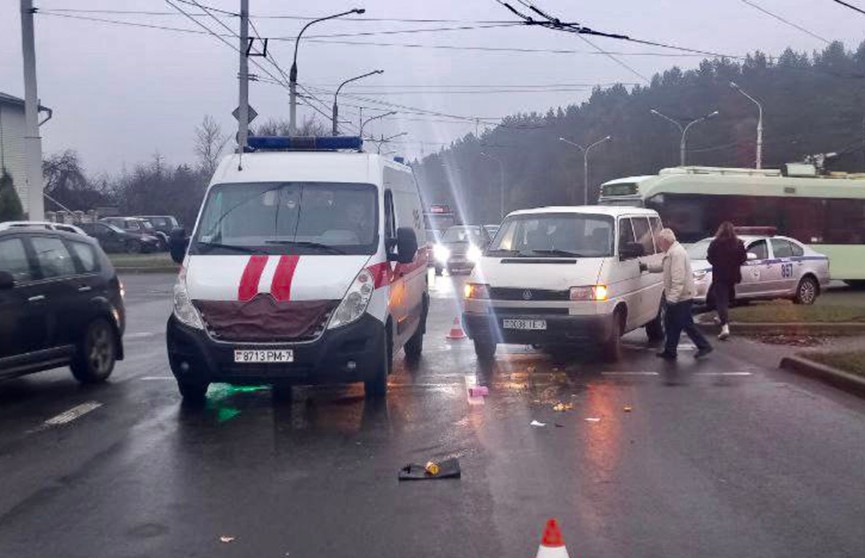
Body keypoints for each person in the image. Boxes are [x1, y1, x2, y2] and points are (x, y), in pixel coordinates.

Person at [640, 228, 713, 360]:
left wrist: (672, 299)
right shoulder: (672, 252)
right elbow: (663, 267)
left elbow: (678, 279)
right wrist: (647, 267)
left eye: (659, 242)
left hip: (682, 296)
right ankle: (671, 350)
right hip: (680, 295)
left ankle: (703, 346)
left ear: (665, 241)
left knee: (683, 323)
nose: (658, 245)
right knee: (671, 323)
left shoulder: (676, 254)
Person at [707, 221, 747, 340]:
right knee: (727, 298)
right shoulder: (738, 243)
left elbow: (710, 257)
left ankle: (725, 327)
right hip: (733, 276)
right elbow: (743, 258)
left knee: (721, 301)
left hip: (719, 276)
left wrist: (718, 264)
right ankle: (720, 318)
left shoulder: (715, 243)